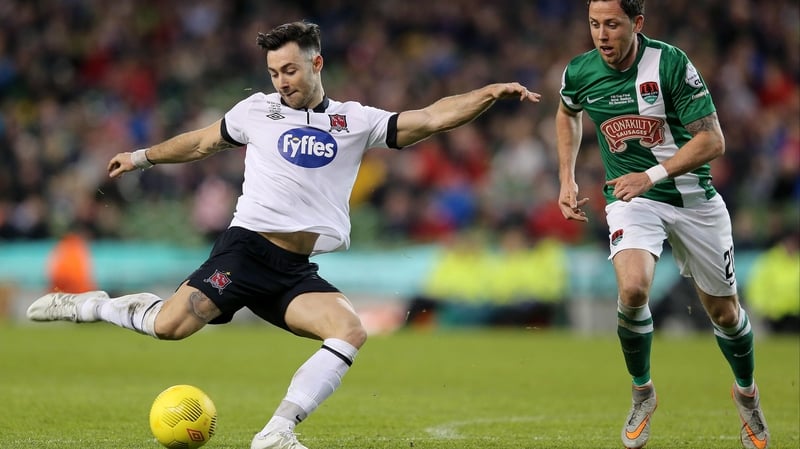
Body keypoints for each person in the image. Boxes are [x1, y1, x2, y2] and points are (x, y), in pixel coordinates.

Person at [26, 20, 541, 449]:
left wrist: (489, 93)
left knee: (350, 330)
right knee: (169, 328)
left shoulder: (355, 120)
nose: (282, 81)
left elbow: (430, 119)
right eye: (274, 72)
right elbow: (203, 142)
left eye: (290, 69)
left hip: (294, 269)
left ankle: (277, 430)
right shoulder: (256, 110)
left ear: (317, 64)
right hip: (247, 247)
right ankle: (89, 306)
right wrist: (142, 157)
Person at [555, 2, 769, 449]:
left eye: (612, 24)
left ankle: (747, 394)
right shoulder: (580, 72)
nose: (602, 35)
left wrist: (650, 175)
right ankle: (642, 392)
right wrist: (567, 177)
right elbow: (566, 112)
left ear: (637, 23)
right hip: (631, 200)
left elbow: (714, 140)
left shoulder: (670, 63)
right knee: (633, 289)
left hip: (693, 201)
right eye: (594, 24)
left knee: (725, 315)